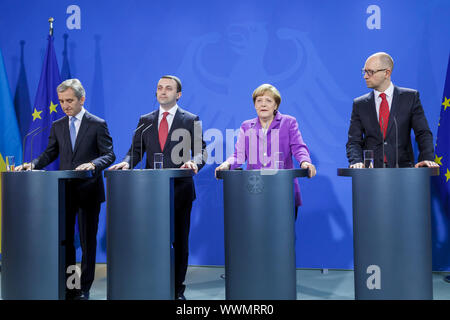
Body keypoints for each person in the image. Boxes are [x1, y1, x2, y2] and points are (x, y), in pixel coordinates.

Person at [16, 78, 116, 300]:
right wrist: (32, 164)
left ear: (82, 99)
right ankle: (70, 286)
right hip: (64, 192)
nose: (65, 105)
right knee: (66, 241)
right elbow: (50, 153)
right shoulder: (57, 125)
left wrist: (93, 164)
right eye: (61, 101)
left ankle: (85, 288)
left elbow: (109, 154)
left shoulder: (97, 124)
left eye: (69, 100)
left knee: (88, 242)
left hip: (89, 190)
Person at [109, 75, 207, 300]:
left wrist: (195, 162)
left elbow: (202, 150)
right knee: (154, 240)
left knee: (179, 241)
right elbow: (135, 151)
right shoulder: (146, 120)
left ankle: (177, 289)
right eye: (159, 88)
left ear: (178, 94)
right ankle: (154, 282)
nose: (163, 92)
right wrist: (126, 162)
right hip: (151, 193)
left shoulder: (191, 119)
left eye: (168, 88)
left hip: (180, 189)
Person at [215, 83, 316, 217]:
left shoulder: (288, 122)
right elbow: (239, 155)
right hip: (255, 191)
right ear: (255, 105)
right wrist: (227, 164)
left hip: (282, 190)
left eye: (268, 101)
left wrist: (305, 162)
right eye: (259, 101)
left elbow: (298, 147)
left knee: (282, 236)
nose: (263, 104)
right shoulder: (246, 126)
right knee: (255, 236)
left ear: (276, 105)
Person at [346, 52, 439, 168]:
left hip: (403, 172)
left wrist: (426, 158)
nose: (365, 76)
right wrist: (356, 161)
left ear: (387, 73)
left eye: (370, 72)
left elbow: (423, 133)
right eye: (364, 71)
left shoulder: (410, 98)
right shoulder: (360, 104)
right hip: (371, 174)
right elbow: (354, 141)